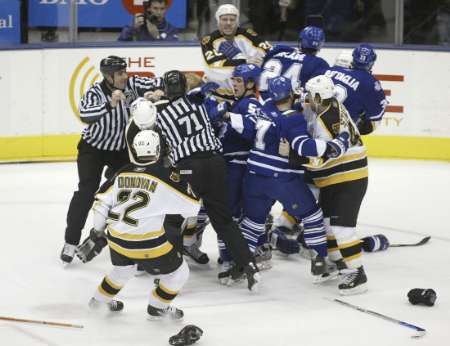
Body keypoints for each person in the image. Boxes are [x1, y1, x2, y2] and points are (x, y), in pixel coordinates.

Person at [156, 70, 260, 291]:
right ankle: (249, 265)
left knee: (173, 221)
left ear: (166, 90)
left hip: (188, 169)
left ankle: (171, 273)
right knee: (223, 220)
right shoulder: (200, 102)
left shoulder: (162, 114)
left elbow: (162, 150)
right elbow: (217, 108)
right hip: (215, 163)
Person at [86, 129, 200, 319]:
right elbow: (192, 209)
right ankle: (157, 306)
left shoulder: (121, 172)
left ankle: (98, 300)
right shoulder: (165, 175)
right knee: (179, 274)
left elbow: (101, 201)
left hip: (116, 239)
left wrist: (96, 231)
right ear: (157, 149)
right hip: (149, 244)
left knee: (123, 269)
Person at [60, 56, 163, 265]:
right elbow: (85, 116)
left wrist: (158, 91)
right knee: (86, 192)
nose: (125, 76)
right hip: (93, 149)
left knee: (128, 194)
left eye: (125, 72)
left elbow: (159, 81)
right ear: (108, 77)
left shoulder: (133, 84)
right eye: (120, 74)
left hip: (120, 151)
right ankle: (70, 241)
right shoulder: (95, 93)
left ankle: (102, 237)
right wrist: (111, 103)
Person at [303, 75, 369, 295]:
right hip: (334, 177)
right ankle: (337, 264)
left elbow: (334, 150)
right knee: (327, 224)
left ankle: (357, 272)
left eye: (310, 94)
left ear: (319, 96)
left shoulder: (327, 116)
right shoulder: (328, 104)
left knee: (342, 227)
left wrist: (304, 161)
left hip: (349, 176)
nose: (306, 97)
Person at [200, 3, 272, 100]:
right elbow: (215, 68)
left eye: (232, 20)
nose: (228, 23)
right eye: (224, 19)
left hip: (244, 96)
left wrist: (258, 62)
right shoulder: (208, 41)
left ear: (237, 21)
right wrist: (245, 62)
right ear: (218, 21)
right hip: (215, 95)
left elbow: (269, 52)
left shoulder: (247, 35)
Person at [324, 44, 387, 134]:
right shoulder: (370, 81)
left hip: (317, 121)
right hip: (340, 130)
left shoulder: (328, 70)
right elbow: (377, 115)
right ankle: (352, 136)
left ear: (353, 57)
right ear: (372, 62)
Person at [259, 25, 329, 99]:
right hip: (286, 104)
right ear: (320, 45)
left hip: (259, 101)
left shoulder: (278, 50)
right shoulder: (320, 63)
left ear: (301, 41)